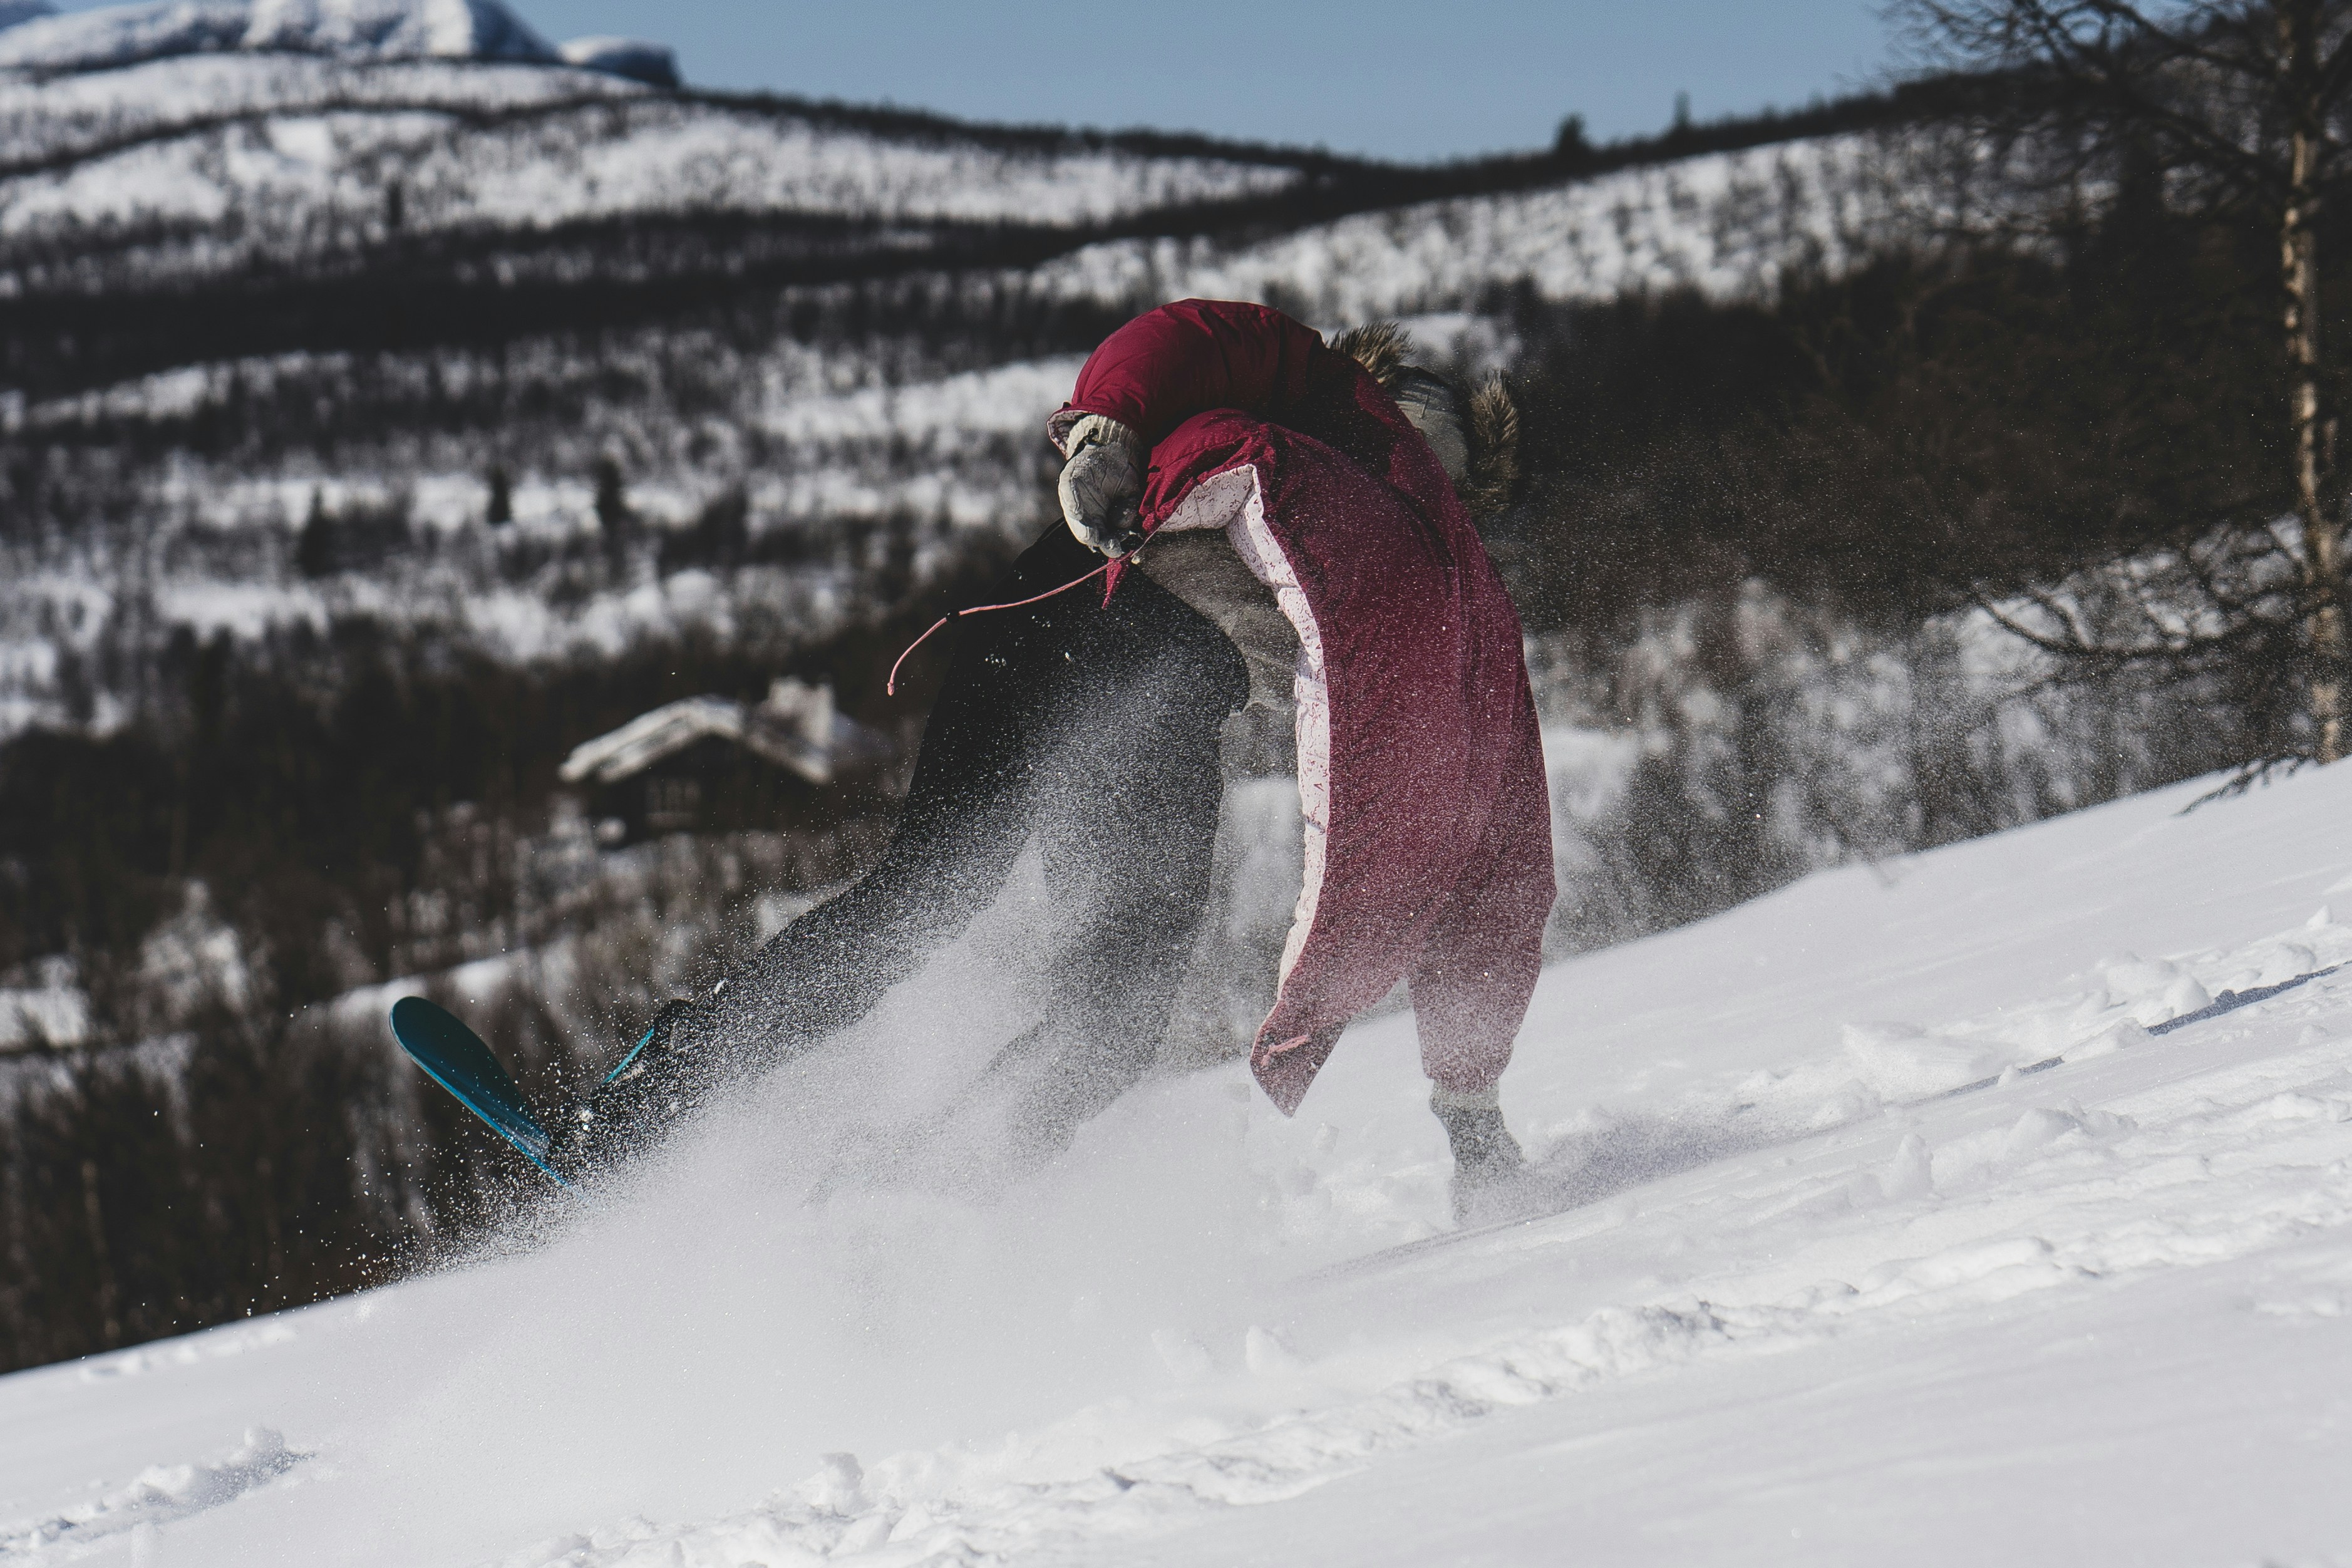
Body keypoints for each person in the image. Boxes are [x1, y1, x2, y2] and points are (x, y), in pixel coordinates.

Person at [551, 300, 1555, 1217]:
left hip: (1162, 718)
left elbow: (1492, 855)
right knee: (928, 896)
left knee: (1110, 1016)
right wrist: (1105, 435)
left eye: (1429, 471)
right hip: (1060, 615)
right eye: (1392, 436)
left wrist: (1470, 1105)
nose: (1396, 468)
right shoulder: (1306, 395)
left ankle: (902, 1199)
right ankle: (657, 1098)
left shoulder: (1444, 610)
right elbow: (1187, 341)